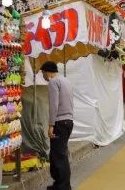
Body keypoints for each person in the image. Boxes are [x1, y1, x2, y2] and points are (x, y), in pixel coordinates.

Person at [41, 61, 74, 190]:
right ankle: (61, 184)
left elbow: (54, 105)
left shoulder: (53, 83)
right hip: (68, 121)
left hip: (59, 123)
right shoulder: (65, 81)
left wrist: (51, 125)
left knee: (58, 155)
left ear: (48, 72)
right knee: (61, 153)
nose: (43, 76)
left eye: (43, 73)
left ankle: (62, 186)